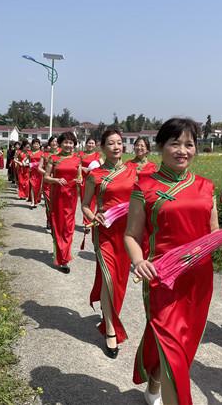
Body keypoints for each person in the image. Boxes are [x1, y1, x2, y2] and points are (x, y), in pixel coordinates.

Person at [124, 118, 222, 405]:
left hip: (199, 279)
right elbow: (131, 234)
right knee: (173, 349)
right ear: (160, 147)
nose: (182, 150)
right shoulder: (145, 187)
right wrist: (139, 261)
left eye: (189, 144)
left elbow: (213, 234)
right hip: (162, 278)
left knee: (185, 347)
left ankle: (155, 381)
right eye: (174, 143)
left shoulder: (206, 187)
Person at [82, 129, 136, 359]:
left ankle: (108, 313)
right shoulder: (96, 176)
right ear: (102, 148)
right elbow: (85, 205)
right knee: (109, 279)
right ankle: (111, 330)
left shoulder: (136, 172)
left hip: (130, 234)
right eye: (111, 143)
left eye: (119, 143)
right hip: (105, 233)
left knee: (120, 282)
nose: (116, 147)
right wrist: (94, 216)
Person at [44, 132, 82, 273]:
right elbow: (46, 178)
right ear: (60, 143)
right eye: (65, 142)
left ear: (74, 145)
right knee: (58, 226)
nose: (68, 145)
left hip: (71, 197)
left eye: (71, 143)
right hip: (58, 196)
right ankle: (61, 258)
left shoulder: (78, 159)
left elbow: (80, 177)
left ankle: (64, 256)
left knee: (68, 227)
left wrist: (80, 181)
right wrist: (56, 180)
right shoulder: (53, 158)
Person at [79, 138, 102, 226]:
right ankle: (86, 221)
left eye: (92, 143)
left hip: (93, 181)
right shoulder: (81, 154)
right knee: (84, 201)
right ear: (86, 144)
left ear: (95, 145)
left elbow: (102, 166)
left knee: (92, 201)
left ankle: (88, 221)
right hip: (83, 180)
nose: (90, 145)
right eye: (89, 143)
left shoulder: (97, 155)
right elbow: (76, 165)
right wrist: (82, 169)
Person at [39, 136, 59, 230]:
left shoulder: (62, 153)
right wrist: (47, 174)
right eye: (52, 141)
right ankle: (49, 221)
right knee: (49, 204)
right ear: (49, 143)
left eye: (56, 141)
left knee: (58, 204)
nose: (54, 143)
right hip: (47, 183)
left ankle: (57, 221)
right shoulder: (45, 154)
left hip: (59, 183)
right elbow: (39, 168)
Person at [27, 139, 44, 208]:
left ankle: (36, 200)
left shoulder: (42, 153)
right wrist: (25, 164)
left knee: (38, 187)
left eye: (37, 144)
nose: (36, 145)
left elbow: (43, 164)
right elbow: (25, 161)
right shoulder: (30, 153)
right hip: (32, 172)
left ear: (39, 145)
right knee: (32, 186)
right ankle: (32, 202)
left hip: (39, 172)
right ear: (32, 145)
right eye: (34, 143)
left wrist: (33, 164)